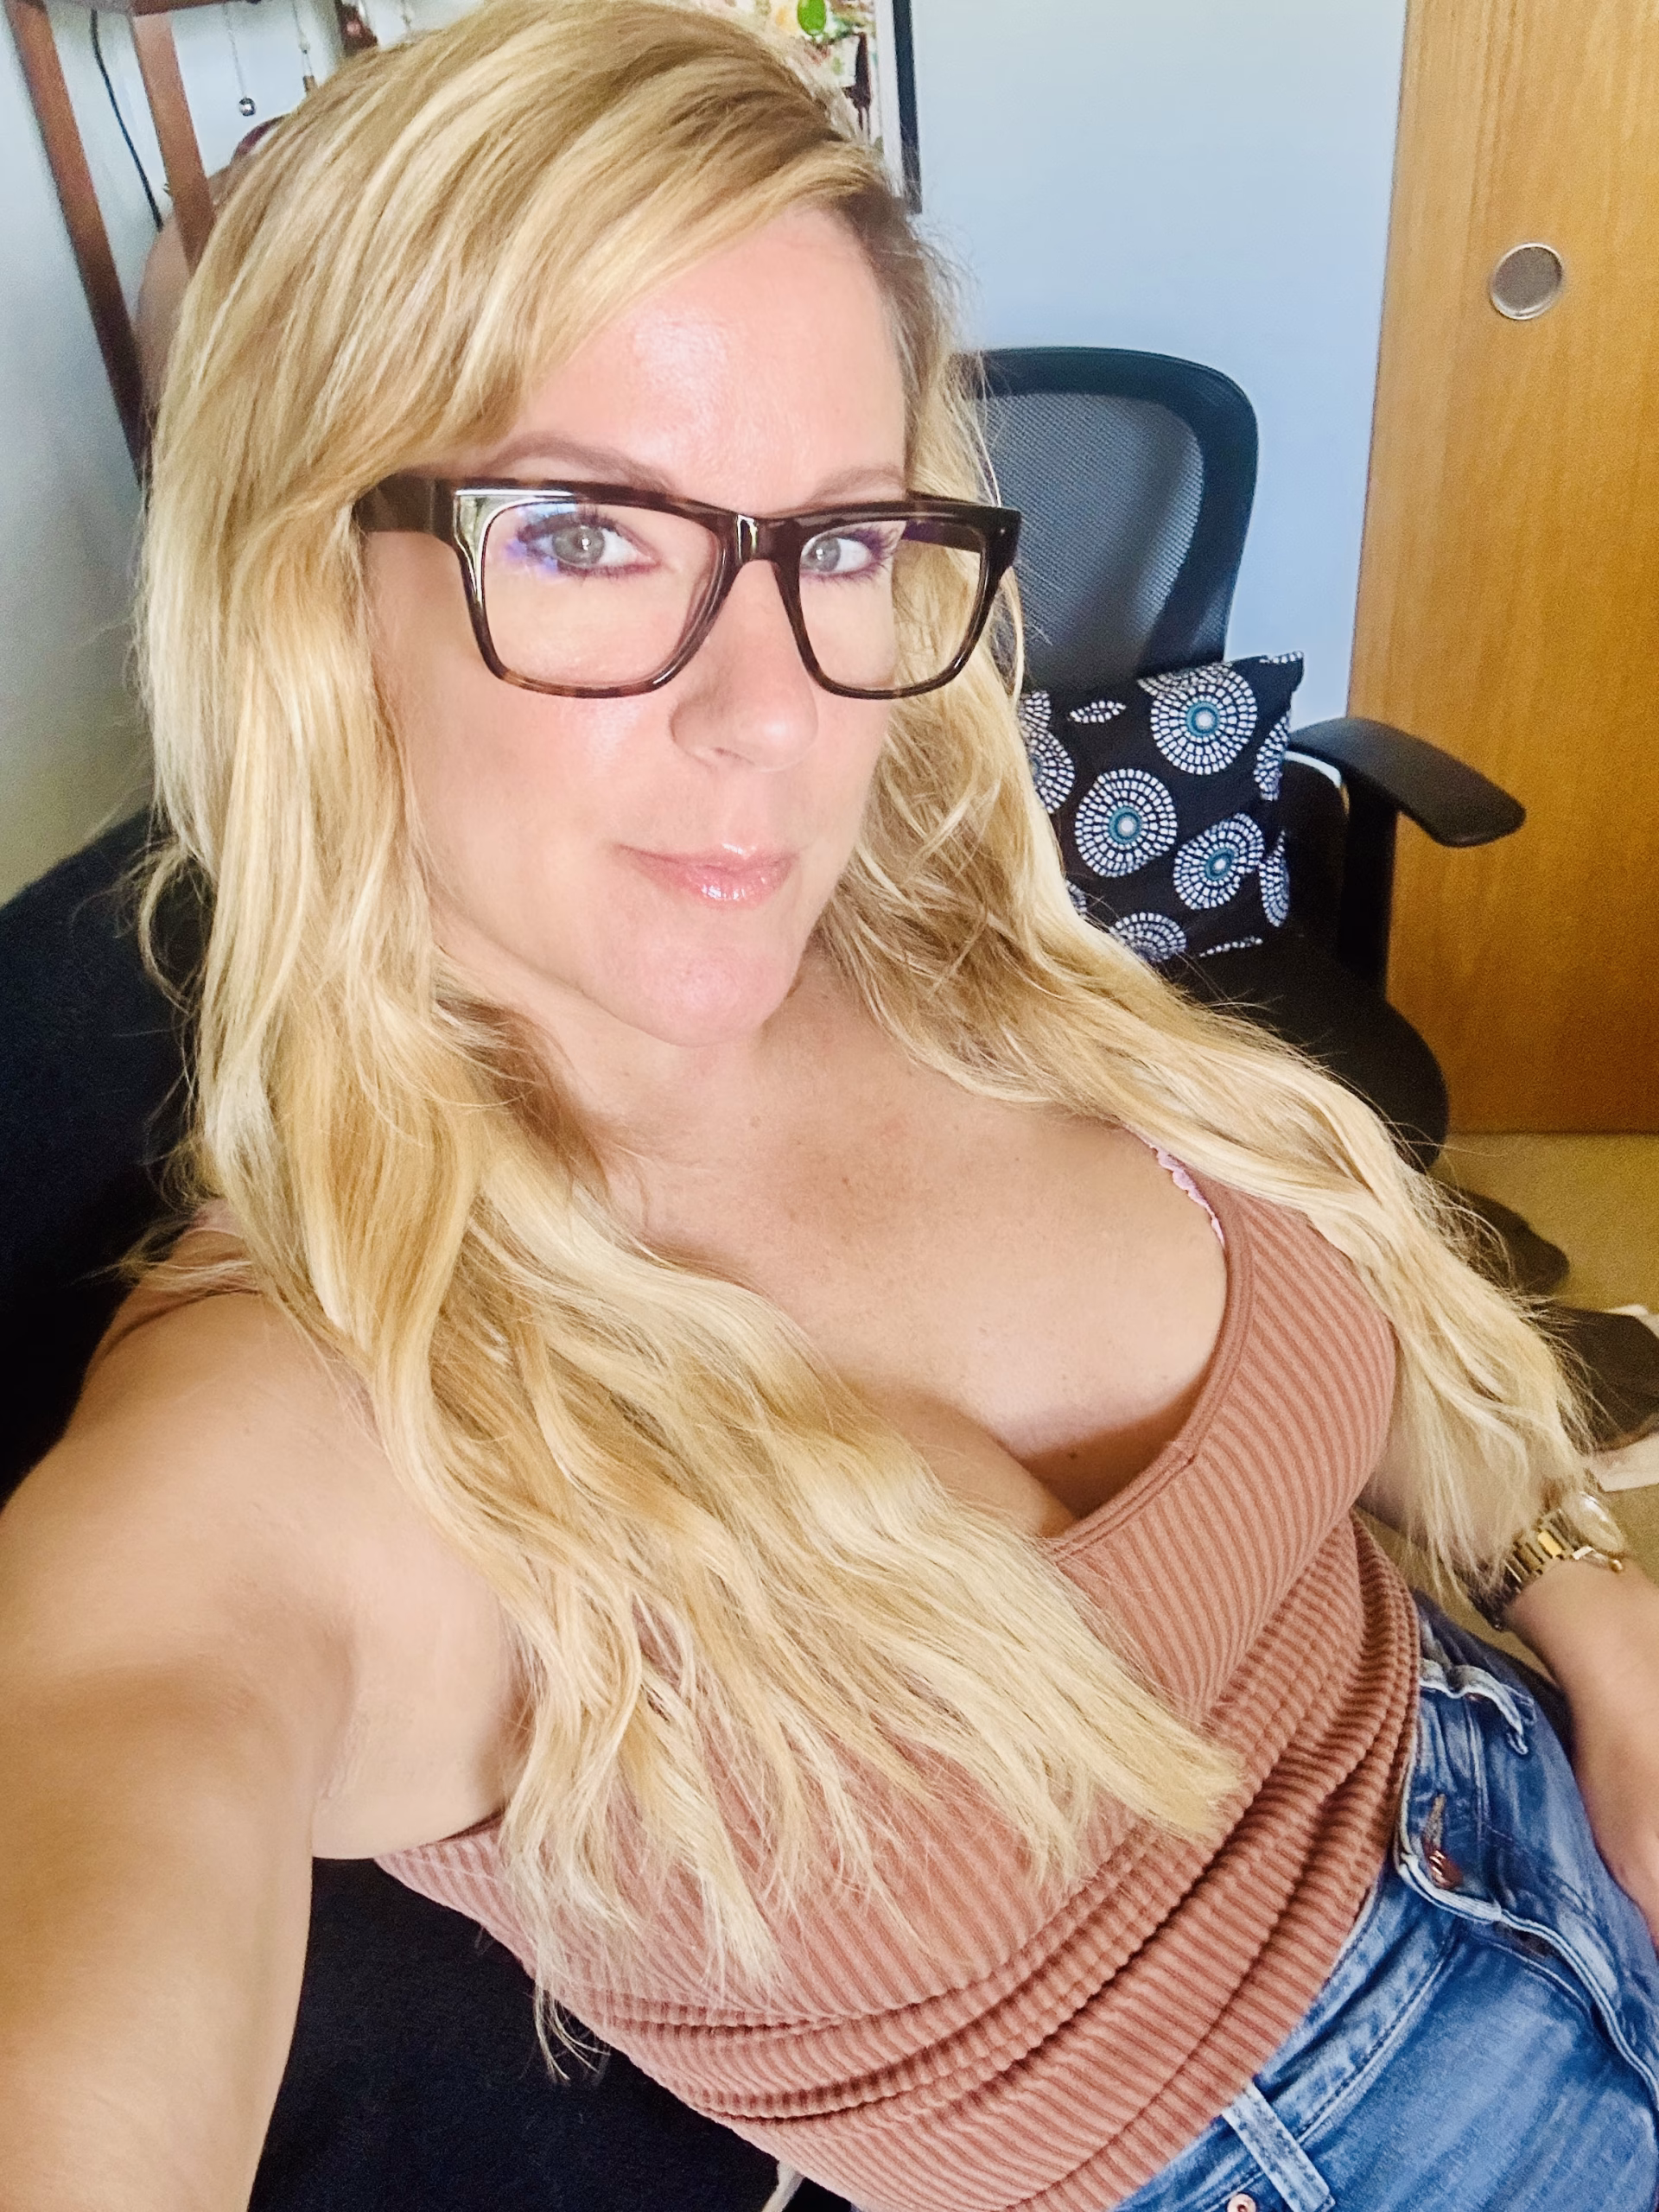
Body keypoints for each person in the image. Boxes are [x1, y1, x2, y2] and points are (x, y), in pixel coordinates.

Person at [3, 3, 1659, 2207]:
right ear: (312, 588)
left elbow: (1381, 1372)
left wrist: (1575, 1581)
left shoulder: (948, 949)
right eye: (587, 534)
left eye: (846, 541)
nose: (770, 713)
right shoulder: (295, 1418)